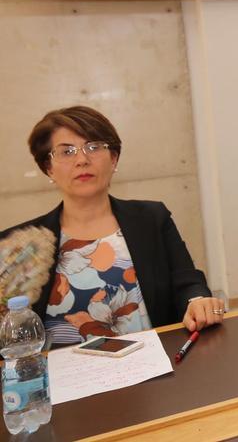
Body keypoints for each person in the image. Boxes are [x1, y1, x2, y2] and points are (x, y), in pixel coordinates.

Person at [0, 106, 225, 344]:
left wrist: (198, 300)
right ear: (49, 168)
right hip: (66, 378)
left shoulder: (152, 218)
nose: (82, 160)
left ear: (114, 158)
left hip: (154, 367)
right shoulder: (23, 246)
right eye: (66, 152)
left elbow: (188, 281)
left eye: (94, 147)